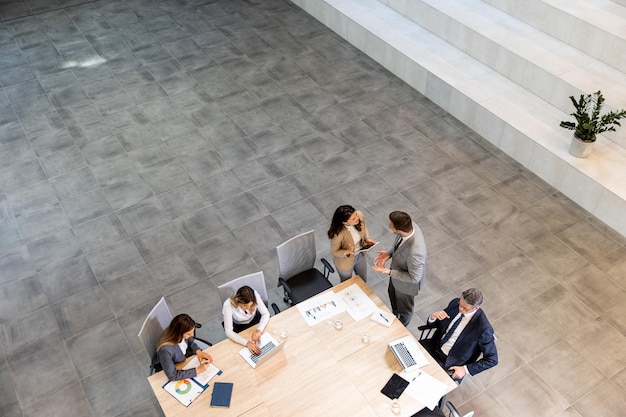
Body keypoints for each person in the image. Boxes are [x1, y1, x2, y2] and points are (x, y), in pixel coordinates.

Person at [423, 288, 498, 380]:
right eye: (460, 304)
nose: (460, 309)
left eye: (465, 308)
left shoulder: (483, 328)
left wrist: (465, 369)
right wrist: (433, 317)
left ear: (476, 308)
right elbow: (439, 324)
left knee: (426, 385)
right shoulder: (455, 303)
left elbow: (492, 359)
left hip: (449, 362)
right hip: (433, 346)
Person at [373, 211, 426, 326]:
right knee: (393, 296)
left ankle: (401, 326)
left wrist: (388, 271)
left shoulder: (416, 252)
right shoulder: (409, 226)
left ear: (399, 229)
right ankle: (395, 315)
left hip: (407, 284)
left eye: (391, 226)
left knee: (405, 310)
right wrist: (389, 253)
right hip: (397, 275)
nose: (389, 226)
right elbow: (398, 242)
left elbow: (415, 278)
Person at [156, 314, 213, 381]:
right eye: (188, 334)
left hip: (186, 356)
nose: (192, 335)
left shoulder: (182, 334)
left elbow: (190, 341)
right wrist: (197, 370)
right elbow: (172, 376)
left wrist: (198, 351)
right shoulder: (166, 351)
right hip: (177, 364)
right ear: (178, 333)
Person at [327, 205, 376, 282]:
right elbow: (334, 251)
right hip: (345, 260)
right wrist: (346, 252)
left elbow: (364, 227)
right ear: (344, 222)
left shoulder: (359, 215)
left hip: (360, 255)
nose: (357, 218)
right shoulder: (338, 234)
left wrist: (367, 238)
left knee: (362, 280)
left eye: (356, 215)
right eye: (353, 219)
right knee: (347, 283)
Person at [222, 285, 270, 355]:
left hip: (256, 320)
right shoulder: (228, 305)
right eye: (245, 306)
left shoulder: (254, 295)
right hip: (240, 326)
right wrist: (247, 343)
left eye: (250, 305)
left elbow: (266, 314)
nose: (248, 308)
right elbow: (228, 331)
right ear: (237, 300)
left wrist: (259, 330)